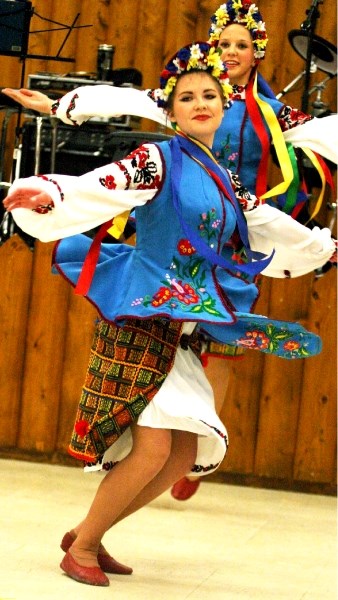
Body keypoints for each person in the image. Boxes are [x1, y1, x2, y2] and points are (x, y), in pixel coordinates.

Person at [3, 39, 336, 587]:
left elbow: (274, 226)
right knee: (155, 445)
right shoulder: (159, 160)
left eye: (210, 95)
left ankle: (91, 531)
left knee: (182, 454)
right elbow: (100, 184)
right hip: (139, 316)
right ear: (170, 109)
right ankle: (82, 548)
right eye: (187, 97)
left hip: (182, 328)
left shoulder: (227, 182)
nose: (201, 103)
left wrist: (324, 249)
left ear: (224, 105)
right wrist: (45, 191)